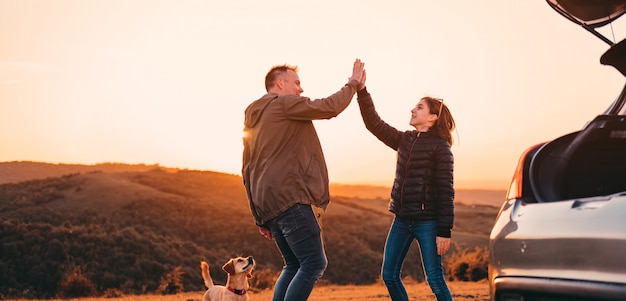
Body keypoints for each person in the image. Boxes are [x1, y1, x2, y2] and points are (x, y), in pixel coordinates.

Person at [242, 59, 366, 301]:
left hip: (268, 205)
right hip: (291, 199)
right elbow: (329, 107)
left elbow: (247, 169)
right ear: (280, 83)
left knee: (293, 264)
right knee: (313, 263)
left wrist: (260, 216)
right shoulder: (282, 104)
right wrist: (352, 84)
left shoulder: (254, 117)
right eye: (296, 83)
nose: (301, 89)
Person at [356, 86, 456, 301]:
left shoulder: (441, 148)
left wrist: (444, 230)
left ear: (432, 117)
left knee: (435, 279)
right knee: (389, 275)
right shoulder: (405, 140)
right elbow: (374, 123)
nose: (412, 110)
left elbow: (446, 191)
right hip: (401, 221)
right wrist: (362, 91)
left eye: (419, 107)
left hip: (428, 223)